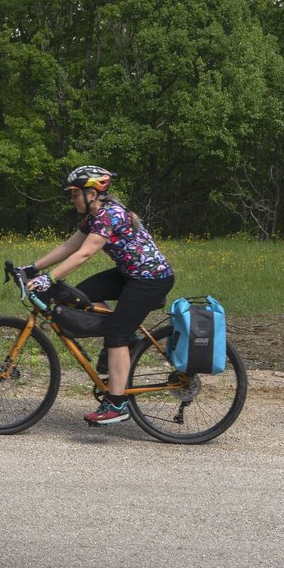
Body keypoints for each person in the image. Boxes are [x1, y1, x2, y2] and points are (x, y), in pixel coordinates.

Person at [27, 165, 174, 426]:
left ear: (92, 193)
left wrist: (48, 279)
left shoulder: (109, 216)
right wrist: (33, 268)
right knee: (80, 295)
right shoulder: (94, 217)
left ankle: (117, 404)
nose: (72, 200)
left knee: (115, 333)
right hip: (131, 274)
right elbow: (69, 246)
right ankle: (126, 340)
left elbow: (84, 254)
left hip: (151, 280)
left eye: (75, 194)